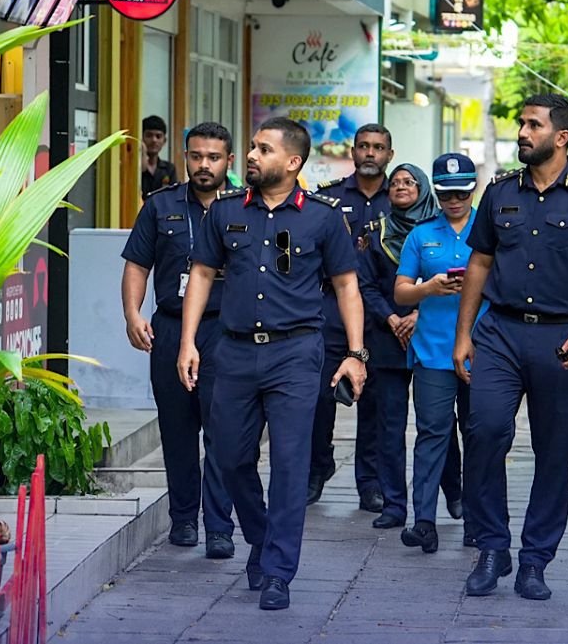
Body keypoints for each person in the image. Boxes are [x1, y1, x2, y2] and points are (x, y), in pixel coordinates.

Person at [177, 116, 368, 611]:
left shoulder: (323, 218)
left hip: (297, 354)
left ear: (293, 161)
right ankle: (261, 538)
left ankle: (279, 570)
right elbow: (200, 273)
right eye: (253, 147)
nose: (252, 156)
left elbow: (347, 285)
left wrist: (354, 354)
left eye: (263, 149)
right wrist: (188, 341)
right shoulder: (224, 213)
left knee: (288, 463)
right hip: (234, 350)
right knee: (230, 457)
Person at [453, 93, 568, 600]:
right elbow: (479, 265)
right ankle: (491, 547)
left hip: (562, 337)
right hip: (500, 333)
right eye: (521, 123)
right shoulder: (501, 192)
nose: (523, 132)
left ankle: (535, 560)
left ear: (562, 136)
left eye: (533, 125)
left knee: (554, 451)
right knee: (484, 431)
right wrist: (465, 334)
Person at [120, 121, 236, 558]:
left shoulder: (244, 207)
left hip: (225, 330)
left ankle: (220, 526)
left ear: (228, 160)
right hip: (170, 327)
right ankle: (184, 519)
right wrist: (132, 313)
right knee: (177, 428)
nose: (203, 165)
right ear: (185, 157)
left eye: (213, 157)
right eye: (196, 156)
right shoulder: (160, 205)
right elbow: (137, 263)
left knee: (224, 431)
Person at [395, 152, 485, 553]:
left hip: (483, 352)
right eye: (446, 193)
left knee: (480, 435)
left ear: (473, 189)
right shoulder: (421, 234)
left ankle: (478, 522)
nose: (454, 200)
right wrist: (427, 289)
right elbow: (400, 291)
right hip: (432, 350)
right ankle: (424, 521)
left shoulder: (489, 227)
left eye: (462, 192)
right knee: (432, 433)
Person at [307, 124, 394, 512]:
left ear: (389, 154)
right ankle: (317, 467)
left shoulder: (403, 200)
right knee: (320, 397)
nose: (370, 153)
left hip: (381, 316)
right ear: (353, 152)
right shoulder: (328, 200)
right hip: (332, 312)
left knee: (374, 403)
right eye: (363, 146)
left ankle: (370, 483)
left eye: (378, 147)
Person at [357, 163, 439, 530]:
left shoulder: (440, 229)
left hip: (432, 337)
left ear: (422, 188)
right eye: (396, 183)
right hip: (387, 338)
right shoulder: (376, 232)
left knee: (436, 423)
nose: (401, 187)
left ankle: (449, 494)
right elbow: (366, 285)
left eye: (410, 182)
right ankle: (393, 504)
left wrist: (419, 314)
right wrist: (392, 319)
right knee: (389, 427)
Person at [141, 115, 177, 197]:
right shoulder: (134, 169)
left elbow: (173, 197)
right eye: (149, 135)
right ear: (141, 138)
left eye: (158, 136)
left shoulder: (169, 169)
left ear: (164, 141)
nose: (154, 140)